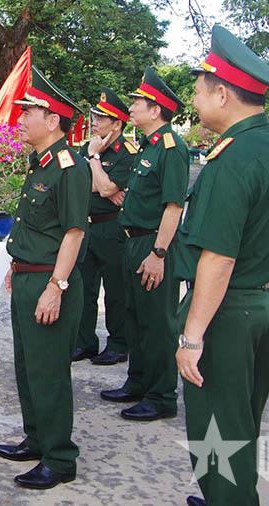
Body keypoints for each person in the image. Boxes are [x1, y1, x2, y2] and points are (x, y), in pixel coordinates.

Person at [174, 25, 269, 506]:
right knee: (241, 423)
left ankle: (227, 499)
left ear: (222, 92)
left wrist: (192, 339)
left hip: (230, 312)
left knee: (218, 437)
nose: (193, 99)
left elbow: (219, 257)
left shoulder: (233, 159)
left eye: (197, 89)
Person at [0, 69, 90, 490]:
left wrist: (56, 286)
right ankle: (36, 438)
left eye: (29, 112)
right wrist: (19, 270)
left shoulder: (68, 167)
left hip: (52, 283)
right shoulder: (41, 163)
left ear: (53, 121)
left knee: (49, 371)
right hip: (29, 277)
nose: (22, 119)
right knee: (27, 366)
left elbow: (73, 232)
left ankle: (59, 458)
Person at [100, 67, 188, 422]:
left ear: (156, 110)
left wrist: (159, 253)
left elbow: (173, 206)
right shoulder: (150, 146)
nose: (131, 107)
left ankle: (161, 395)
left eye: (138, 101)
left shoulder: (171, 147)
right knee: (135, 318)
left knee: (157, 324)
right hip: (132, 242)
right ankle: (137, 382)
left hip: (153, 245)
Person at [73, 87, 138, 365]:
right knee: (84, 288)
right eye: (94, 117)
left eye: (102, 118)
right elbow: (80, 185)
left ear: (117, 124)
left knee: (116, 290)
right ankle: (85, 341)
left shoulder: (128, 153)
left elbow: (105, 185)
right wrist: (106, 188)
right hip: (87, 227)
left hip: (113, 229)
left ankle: (119, 343)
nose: (95, 122)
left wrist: (96, 163)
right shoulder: (84, 148)